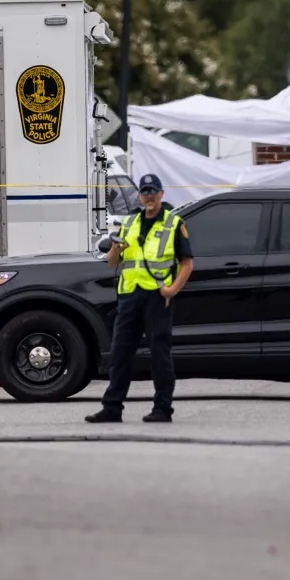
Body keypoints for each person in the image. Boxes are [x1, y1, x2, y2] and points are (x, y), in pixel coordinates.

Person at [86, 174, 194, 424]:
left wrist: (172, 290)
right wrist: (115, 249)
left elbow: (187, 264)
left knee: (159, 353)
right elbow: (113, 262)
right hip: (129, 296)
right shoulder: (130, 222)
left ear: (161, 194)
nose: (149, 196)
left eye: (153, 192)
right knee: (120, 353)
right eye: (145, 192)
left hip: (157, 297)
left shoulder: (173, 223)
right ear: (140, 196)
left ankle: (163, 408)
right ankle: (112, 408)